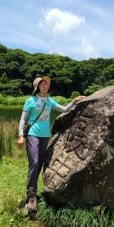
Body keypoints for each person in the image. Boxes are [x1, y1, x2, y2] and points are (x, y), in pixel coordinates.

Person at [18, 76, 85, 214]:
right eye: (42, 84)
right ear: (37, 87)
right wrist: (20, 135)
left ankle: (36, 191)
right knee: (34, 162)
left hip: (45, 135)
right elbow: (23, 119)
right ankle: (31, 195)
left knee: (41, 163)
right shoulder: (30, 101)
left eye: (46, 84)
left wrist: (75, 100)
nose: (44, 86)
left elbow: (65, 109)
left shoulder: (49, 101)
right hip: (33, 134)